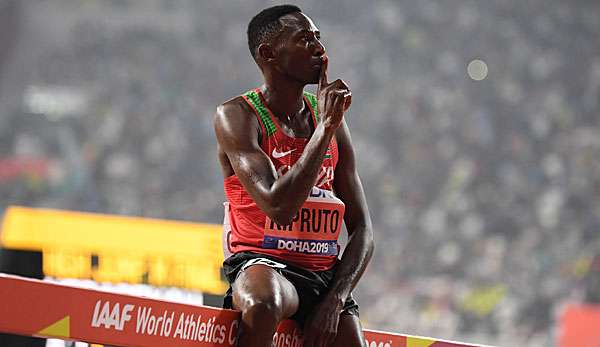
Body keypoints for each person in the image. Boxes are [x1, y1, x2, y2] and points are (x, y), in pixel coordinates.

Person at [214, 5, 374, 347]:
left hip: (323, 274)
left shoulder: (329, 117)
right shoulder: (237, 116)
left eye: (318, 37)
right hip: (264, 263)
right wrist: (326, 128)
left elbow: (363, 229)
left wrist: (335, 300)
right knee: (261, 304)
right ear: (268, 54)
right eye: (305, 40)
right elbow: (279, 208)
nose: (319, 48)